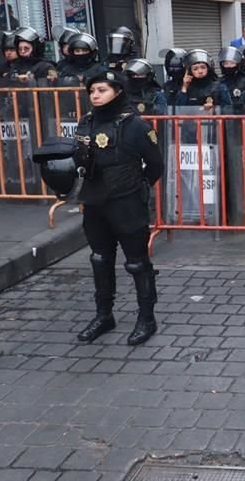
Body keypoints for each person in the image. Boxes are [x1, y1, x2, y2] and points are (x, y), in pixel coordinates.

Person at [72, 70, 164, 345]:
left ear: (118, 92)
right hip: (94, 202)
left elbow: (156, 164)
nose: (96, 96)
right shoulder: (86, 122)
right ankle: (104, 315)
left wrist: (139, 186)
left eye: (102, 90)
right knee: (100, 259)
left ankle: (146, 318)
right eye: (92, 91)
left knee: (137, 263)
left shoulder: (135, 125)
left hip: (127, 202)